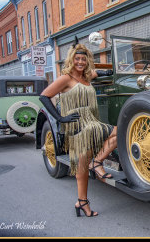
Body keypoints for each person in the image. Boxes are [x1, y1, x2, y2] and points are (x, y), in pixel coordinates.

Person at [39, 43, 117, 217]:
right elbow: (44, 96)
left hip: (90, 122)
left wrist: (115, 70)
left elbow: (103, 72)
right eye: (77, 59)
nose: (80, 62)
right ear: (72, 60)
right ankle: (94, 171)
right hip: (77, 125)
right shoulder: (66, 78)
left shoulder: (87, 77)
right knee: (83, 165)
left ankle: (84, 196)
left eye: (83, 59)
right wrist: (60, 118)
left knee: (84, 163)